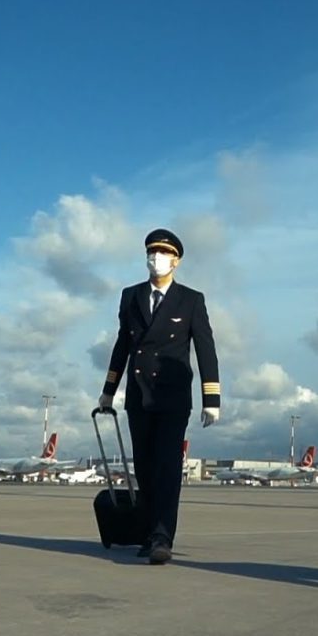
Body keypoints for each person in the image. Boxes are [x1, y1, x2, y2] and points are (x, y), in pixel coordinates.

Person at [98, 228, 220, 565]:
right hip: (139, 396)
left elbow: (205, 348)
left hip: (172, 397)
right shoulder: (130, 296)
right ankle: (148, 531)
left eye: (163, 254)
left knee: (167, 467)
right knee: (145, 468)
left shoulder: (191, 300)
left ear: (176, 261)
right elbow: (123, 345)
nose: (156, 259)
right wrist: (109, 391)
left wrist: (212, 398)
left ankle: (162, 537)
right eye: (151, 253)